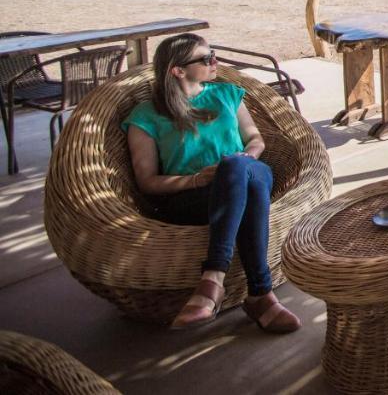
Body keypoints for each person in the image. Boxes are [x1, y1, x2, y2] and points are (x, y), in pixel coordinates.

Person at [123, 33, 300, 332]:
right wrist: (194, 180)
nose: (215, 61)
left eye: (213, 54)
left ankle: (213, 278)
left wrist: (246, 158)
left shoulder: (228, 94)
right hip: (194, 197)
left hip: (247, 173)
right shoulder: (146, 116)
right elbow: (147, 182)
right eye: (206, 59)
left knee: (238, 168)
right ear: (178, 70)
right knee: (247, 186)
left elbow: (255, 139)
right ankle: (260, 294)